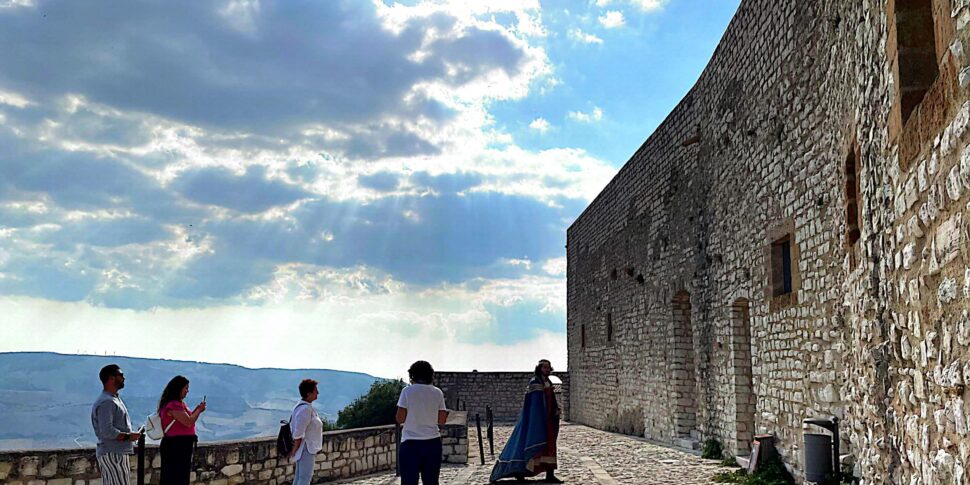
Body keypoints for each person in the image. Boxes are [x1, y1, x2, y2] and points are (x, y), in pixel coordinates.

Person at [489, 359, 562, 483]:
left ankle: (550, 474)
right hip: (536, 422)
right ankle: (519, 472)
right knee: (526, 444)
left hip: (548, 421)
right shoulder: (535, 382)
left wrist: (555, 410)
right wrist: (539, 419)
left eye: (548, 367)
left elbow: (550, 399)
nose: (547, 370)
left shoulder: (547, 381)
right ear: (539, 368)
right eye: (545, 367)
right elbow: (535, 405)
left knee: (550, 447)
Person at [396, 360, 449, 485]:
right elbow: (442, 420)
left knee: (409, 481)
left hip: (410, 443)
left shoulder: (407, 392)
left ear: (412, 376)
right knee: (431, 481)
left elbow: (400, 418)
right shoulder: (437, 392)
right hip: (432, 443)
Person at [92, 364, 142, 485]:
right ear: (111, 378)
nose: (123, 378)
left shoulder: (113, 399)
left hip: (117, 452)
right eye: (121, 375)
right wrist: (129, 436)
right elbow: (107, 430)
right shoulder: (107, 402)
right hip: (112, 452)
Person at [157, 375, 206, 485]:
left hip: (181, 445)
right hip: (176, 445)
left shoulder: (179, 404)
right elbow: (188, 422)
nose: (187, 391)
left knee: (179, 476)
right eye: (186, 388)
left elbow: (186, 420)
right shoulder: (174, 405)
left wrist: (197, 411)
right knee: (175, 477)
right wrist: (198, 410)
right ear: (178, 389)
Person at [288, 379, 323, 485]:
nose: (318, 393)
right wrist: (295, 449)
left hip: (305, 447)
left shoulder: (304, 407)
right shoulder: (305, 410)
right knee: (305, 478)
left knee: (300, 476)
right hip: (306, 447)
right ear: (309, 393)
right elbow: (298, 432)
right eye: (315, 390)